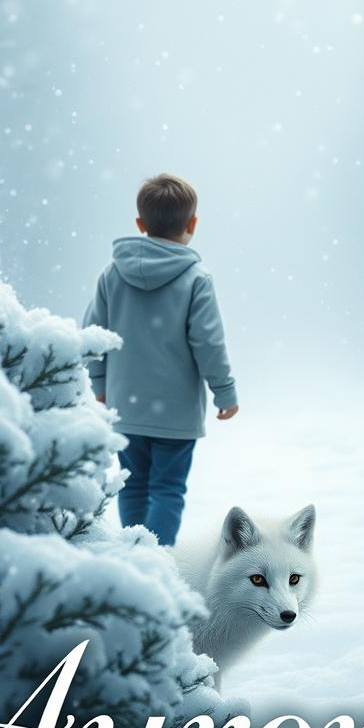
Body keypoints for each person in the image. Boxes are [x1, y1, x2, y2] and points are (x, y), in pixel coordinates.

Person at [83, 173, 238, 545]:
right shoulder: (196, 279)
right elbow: (209, 343)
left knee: (133, 487)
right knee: (168, 489)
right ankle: (157, 561)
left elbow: (92, 333)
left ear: (140, 225)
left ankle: (133, 558)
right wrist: (225, 391)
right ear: (192, 224)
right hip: (175, 411)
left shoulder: (112, 274)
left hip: (127, 406)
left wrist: (100, 385)